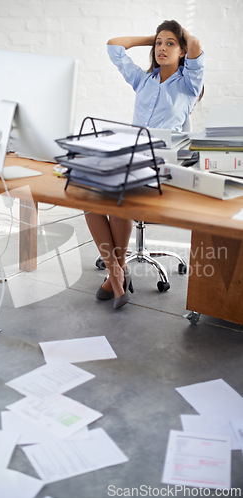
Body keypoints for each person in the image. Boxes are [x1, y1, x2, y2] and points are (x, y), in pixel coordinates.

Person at [85, 19, 205, 309]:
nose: (162, 48)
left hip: (163, 166)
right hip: (132, 157)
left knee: (119, 197)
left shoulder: (189, 84)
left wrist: (181, 37)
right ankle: (118, 271)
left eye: (170, 44)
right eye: (159, 44)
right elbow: (114, 46)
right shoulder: (144, 80)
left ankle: (115, 279)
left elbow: (197, 45)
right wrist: (152, 37)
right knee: (90, 198)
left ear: (182, 50)